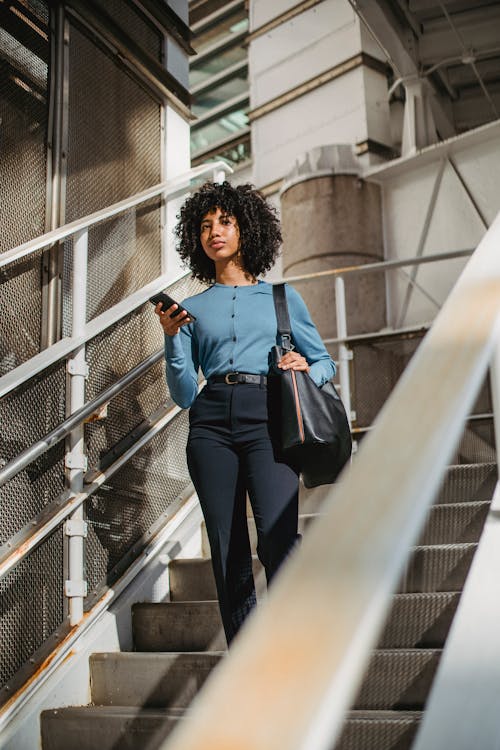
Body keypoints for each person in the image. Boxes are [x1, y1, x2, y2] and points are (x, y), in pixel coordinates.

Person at [155, 180, 335, 645]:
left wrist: (306, 368)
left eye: (225, 221)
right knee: (226, 545)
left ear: (246, 230)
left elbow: (324, 362)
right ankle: (245, 654)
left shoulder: (281, 298)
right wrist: (173, 339)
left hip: (269, 417)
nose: (215, 231)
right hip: (210, 423)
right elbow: (182, 395)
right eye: (205, 225)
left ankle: (289, 645)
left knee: (278, 539)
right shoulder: (191, 310)